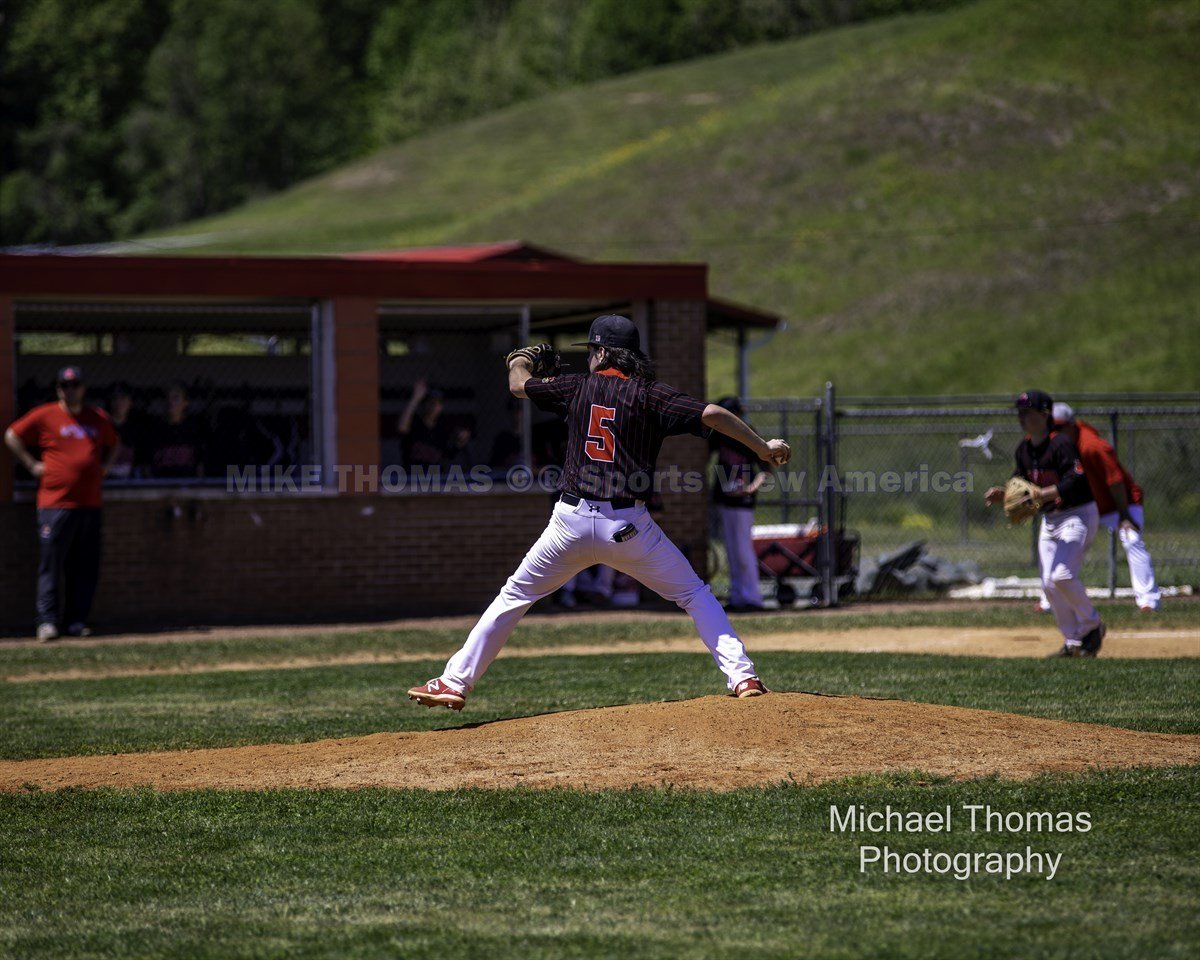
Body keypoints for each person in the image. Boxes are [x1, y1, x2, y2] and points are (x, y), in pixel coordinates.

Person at [408, 314, 790, 710]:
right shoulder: (650, 394)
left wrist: (519, 359)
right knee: (695, 594)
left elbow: (518, 384)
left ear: (604, 353)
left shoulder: (575, 386)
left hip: (569, 523)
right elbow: (713, 414)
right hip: (627, 526)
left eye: (592, 350)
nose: (589, 357)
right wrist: (762, 448)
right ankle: (743, 677)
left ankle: (454, 682)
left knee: (515, 595)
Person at [985, 390, 1105, 658]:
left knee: (1062, 575)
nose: (1021, 418)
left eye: (1027, 412)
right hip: (1051, 519)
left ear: (1044, 414)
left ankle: (1092, 625)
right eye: (1019, 413)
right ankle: (1073, 641)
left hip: (1077, 514)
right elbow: (1021, 486)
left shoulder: (1060, 444)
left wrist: (1044, 493)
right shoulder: (1024, 449)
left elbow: (1076, 479)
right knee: (1049, 584)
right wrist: (1003, 494)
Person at [4, 366, 118, 640]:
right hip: (55, 504)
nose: (70, 390)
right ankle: (47, 622)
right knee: (51, 565)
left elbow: (115, 443)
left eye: (75, 385)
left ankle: (76, 621)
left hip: (89, 504)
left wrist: (105, 467)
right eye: (64, 386)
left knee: (84, 566)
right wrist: (31, 465)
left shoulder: (97, 417)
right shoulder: (45, 415)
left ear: (83, 388)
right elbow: (11, 435)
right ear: (58, 389)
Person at [1051, 402, 1161, 612]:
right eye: (1051, 428)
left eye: (1059, 427)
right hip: (1086, 505)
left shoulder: (1092, 446)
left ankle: (1148, 600)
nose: (1054, 432)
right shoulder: (1056, 446)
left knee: (1131, 539)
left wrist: (1124, 516)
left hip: (1121, 503)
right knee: (1057, 541)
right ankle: (1050, 601)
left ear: (1072, 425)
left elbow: (1115, 481)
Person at [710, 396, 767, 612]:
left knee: (743, 549)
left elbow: (766, 469)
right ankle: (737, 596)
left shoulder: (748, 433)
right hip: (725, 497)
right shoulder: (718, 435)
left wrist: (751, 488)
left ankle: (753, 597)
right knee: (732, 550)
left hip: (743, 500)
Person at [150, 383, 206, 478]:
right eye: (168, 398)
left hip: (187, 482)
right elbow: (147, 465)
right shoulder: (156, 429)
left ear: (185, 403)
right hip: (162, 482)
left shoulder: (193, 429)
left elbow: (200, 464)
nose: (170, 402)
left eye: (175, 398)